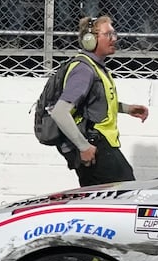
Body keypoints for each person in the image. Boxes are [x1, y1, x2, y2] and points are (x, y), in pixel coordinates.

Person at [34, 15, 150, 186]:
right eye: (108, 34)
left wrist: (126, 109)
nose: (114, 38)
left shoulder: (95, 68)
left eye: (114, 33)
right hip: (95, 147)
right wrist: (84, 147)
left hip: (100, 145)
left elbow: (94, 103)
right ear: (90, 40)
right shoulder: (84, 71)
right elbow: (60, 112)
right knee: (125, 194)